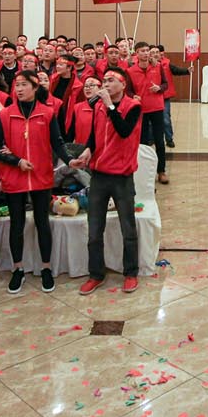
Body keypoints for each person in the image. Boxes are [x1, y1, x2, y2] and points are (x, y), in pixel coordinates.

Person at [0, 71, 77, 294]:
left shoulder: (47, 113)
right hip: (14, 177)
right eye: (16, 85)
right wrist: (15, 161)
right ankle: (18, 269)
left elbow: (57, 142)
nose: (19, 89)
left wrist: (70, 160)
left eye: (24, 85)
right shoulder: (5, 114)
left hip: (41, 176)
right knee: (16, 224)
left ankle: (46, 267)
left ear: (35, 88)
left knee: (42, 222)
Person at [75, 67, 143, 295]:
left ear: (123, 85)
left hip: (122, 176)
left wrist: (110, 106)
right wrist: (88, 149)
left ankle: (131, 273)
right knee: (94, 229)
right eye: (104, 80)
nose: (105, 84)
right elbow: (94, 135)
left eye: (111, 80)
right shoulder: (99, 107)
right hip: (99, 175)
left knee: (128, 228)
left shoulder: (133, 107)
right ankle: (96, 274)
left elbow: (124, 131)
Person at [129, 43, 169, 184]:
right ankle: (143, 171)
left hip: (157, 108)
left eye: (147, 51)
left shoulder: (157, 66)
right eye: (142, 51)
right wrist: (133, 96)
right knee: (143, 142)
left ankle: (161, 171)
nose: (146, 53)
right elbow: (128, 90)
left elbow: (165, 84)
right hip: (141, 110)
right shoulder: (131, 71)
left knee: (159, 141)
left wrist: (159, 88)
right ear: (136, 53)